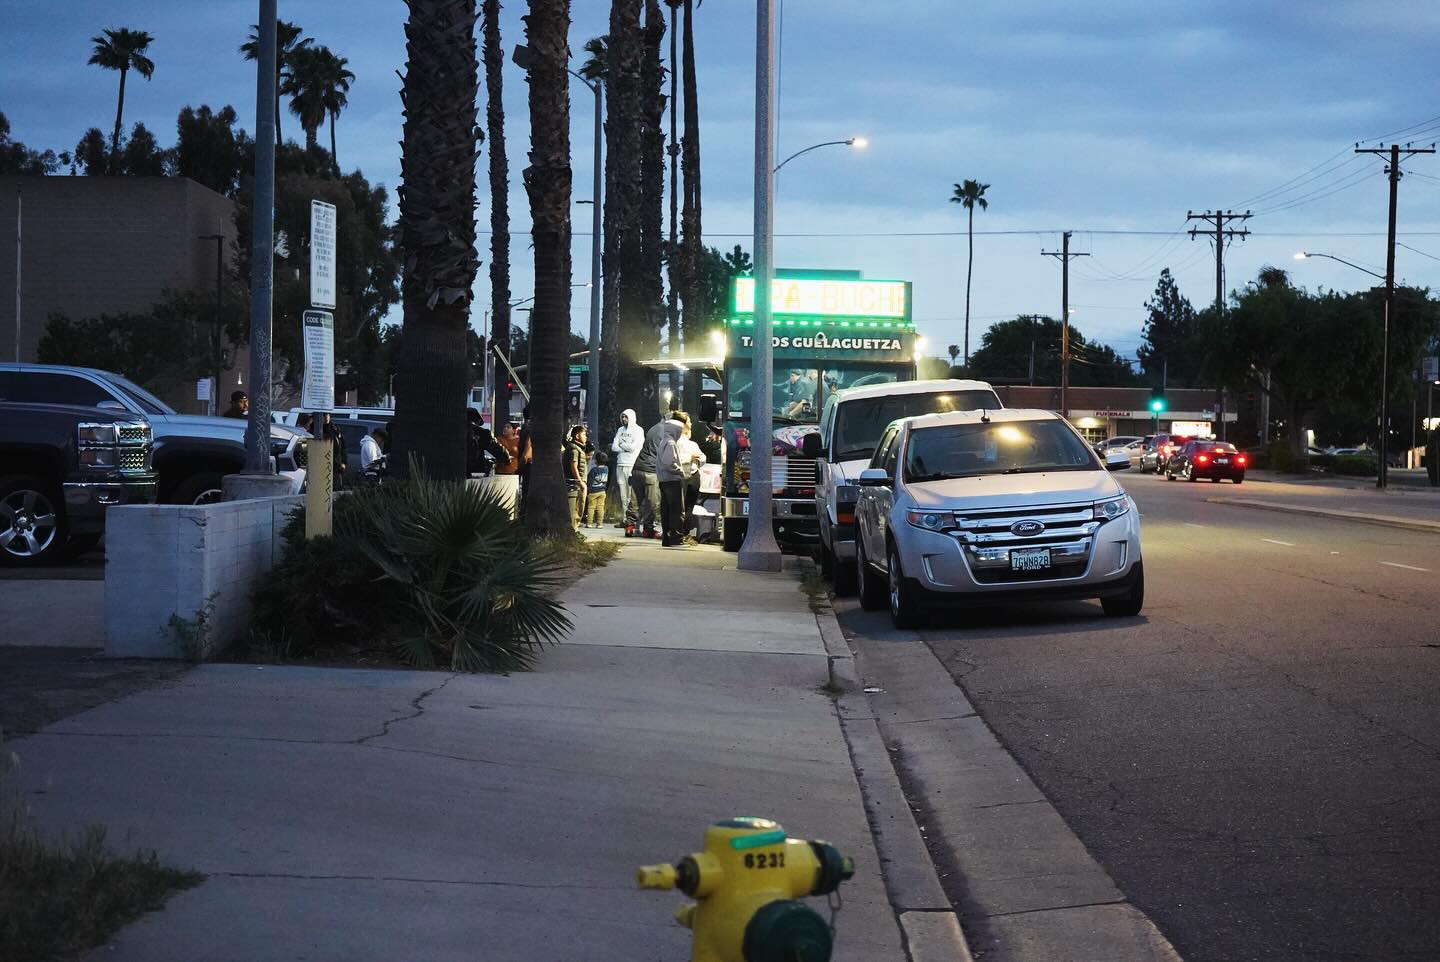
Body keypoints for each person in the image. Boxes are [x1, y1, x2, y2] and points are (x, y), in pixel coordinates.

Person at [656, 417, 687, 546]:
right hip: (672, 480)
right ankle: (675, 537)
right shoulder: (671, 443)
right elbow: (669, 463)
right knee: (675, 510)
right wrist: (680, 471)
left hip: (664, 480)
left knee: (666, 510)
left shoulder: (664, 440)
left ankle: (667, 537)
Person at [675, 414, 707, 540]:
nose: (691, 424)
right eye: (689, 422)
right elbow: (702, 458)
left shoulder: (676, 443)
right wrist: (693, 458)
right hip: (692, 476)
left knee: (680, 506)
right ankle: (685, 531)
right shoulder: (688, 444)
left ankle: (680, 530)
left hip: (683, 476)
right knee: (688, 506)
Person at [610, 408, 643, 527]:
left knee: (631, 494)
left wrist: (622, 444)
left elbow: (633, 447)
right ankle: (625, 519)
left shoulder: (638, 430)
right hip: (620, 464)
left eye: (626, 417)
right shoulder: (620, 430)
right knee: (623, 495)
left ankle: (632, 520)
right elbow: (614, 447)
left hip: (631, 464)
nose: (624, 419)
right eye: (622, 417)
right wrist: (625, 446)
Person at [467, 408, 511, 476]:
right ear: (477, 421)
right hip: (473, 467)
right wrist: (506, 457)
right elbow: (496, 448)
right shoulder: (481, 432)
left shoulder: (448, 432)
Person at [563, 424, 589, 530]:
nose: (586, 436)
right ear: (577, 436)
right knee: (577, 506)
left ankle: (575, 526)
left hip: (577, 482)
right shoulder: (574, 449)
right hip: (576, 483)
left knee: (579, 505)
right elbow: (573, 465)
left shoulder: (578, 448)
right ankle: (574, 527)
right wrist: (580, 481)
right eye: (584, 434)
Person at [585, 451, 610, 529]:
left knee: (591, 507)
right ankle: (600, 524)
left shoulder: (594, 470)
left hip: (593, 492)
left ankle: (589, 523)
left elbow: (589, 481)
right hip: (602, 491)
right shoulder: (606, 468)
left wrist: (588, 490)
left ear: (595, 460)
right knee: (600, 507)